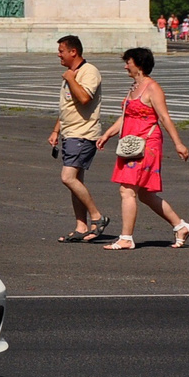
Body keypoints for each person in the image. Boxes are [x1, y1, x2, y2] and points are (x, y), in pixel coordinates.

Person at [97, 47, 189, 250]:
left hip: (147, 144)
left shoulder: (152, 88)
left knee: (127, 190)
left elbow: (164, 117)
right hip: (131, 144)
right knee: (145, 194)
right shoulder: (134, 87)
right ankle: (180, 225)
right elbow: (126, 116)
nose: (125, 66)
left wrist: (178, 143)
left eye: (128, 62)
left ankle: (126, 238)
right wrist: (107, 134)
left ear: (139, 64)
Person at [49, 35, 109, 243]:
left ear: (73, 51)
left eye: (61, 51)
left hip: (83, 133)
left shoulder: (88, 72)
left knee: (68, 178)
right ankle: (81, 226)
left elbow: (84, 98)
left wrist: (71, 79)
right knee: (76, 182)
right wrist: (56, 130)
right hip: (70, 133)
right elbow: (68, 106)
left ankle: (97, 217)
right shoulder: (71, 74)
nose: (59, 55)